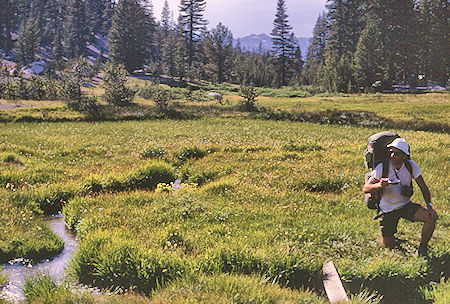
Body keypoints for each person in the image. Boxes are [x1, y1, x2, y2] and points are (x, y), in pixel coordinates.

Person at [363, 138, 438, 257]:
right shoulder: (383, 167)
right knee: (387, 246)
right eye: (391, 152)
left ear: (404, 156)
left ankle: (422, 248)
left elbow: (424, 188)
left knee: (431, 218)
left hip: (405, 205)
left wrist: (429, 206)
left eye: (396, 153)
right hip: (387, 210)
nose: (392, 155)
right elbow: (366, 188)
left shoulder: (410, 166)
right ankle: (390, 238)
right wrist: (379, 185)